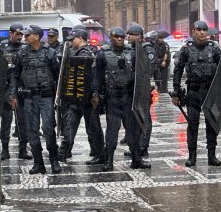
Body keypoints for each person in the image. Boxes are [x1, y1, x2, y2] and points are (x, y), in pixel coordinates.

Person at [91, 27, 151, 171]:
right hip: (112, 98)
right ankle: (109, 160)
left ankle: (136, 159)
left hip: (129, 97)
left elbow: (141, 75)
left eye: (121, 37)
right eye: (116, 37)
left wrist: (144, 93)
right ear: (111, 37)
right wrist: (96, 94)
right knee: (112, 130)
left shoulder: (132, 53)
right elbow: (97, 76)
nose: (119, 39)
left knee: (133, 130)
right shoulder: (102, 54)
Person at [9, 25, 62, 175]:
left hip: (46, 97)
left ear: (37, 37)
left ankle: (54, 160)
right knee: (32, 131)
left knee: (47, 129)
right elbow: (14, 75)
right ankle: (38, 163)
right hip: (29, 97)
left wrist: (59, 98)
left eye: (27, 35)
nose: (24, 37)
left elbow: (58, 75)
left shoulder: (49, 53)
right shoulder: (21, 54)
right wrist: (13, 94)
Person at [171, 20, 221, 167]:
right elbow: (178, 70)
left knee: (211, 125)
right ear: (193, 32)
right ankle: (192, 156)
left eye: (204, 31)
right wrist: (176, 90)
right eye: (199, 30)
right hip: (193, 92)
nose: (202, 33)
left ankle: (211, 155)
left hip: (210, 92)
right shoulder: (187, 48)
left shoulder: (214, 48)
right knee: (193, 125)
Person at [57, 27, 105, 165]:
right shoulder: (78, 52)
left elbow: (93, 76)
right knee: (70, 125)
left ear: (80, 38)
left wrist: (94, 94)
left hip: (87, 97)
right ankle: (64, 151)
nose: (71, 42)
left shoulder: (87, 53)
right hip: (77, 96)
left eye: (73, 39)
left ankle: (99, 154)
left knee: (93, 127)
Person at [0, 22, 32, 161]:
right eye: (17, 34)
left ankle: (23, 149)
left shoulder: (25, 48)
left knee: (22, 121)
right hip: (5, 88)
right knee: (6, 121)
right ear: (11, 33)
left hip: (22, 87)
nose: (20, 37)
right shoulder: (2, 48)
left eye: (21, 34)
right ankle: (4, 150)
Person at [124, 25, 155, 157]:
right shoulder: (131, 49)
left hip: (143, 89)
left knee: (145, 118)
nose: (128, 36)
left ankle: (143, 146)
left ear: (138, 36)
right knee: (134, 119)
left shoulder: (147, 49)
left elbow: (149, 69)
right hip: (132, 89)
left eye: (131, 34)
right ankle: (136, 146)